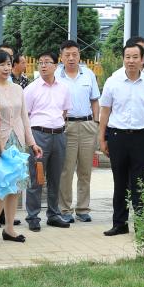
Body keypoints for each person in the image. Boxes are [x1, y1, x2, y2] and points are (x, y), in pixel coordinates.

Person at [97, 40, 144, 237]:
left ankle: (142, 224)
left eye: (135, 57)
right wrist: (102, 138)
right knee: (120, 181)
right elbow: (105, 111)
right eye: (127, 57)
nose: (131, 61)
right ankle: (120, 223)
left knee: (141, 182)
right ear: (123, 59)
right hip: (118, 136)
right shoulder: (113, 81)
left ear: (142, 59)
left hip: (143, 136)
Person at [0, 50, 40, 245]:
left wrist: (32, 143)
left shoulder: (18, 89)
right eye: (2, 64)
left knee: (16, 187)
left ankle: (9, 228)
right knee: (2, 186)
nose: (6, 68)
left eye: (9, 64)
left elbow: (25, 117)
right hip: (0, 142)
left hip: (18, 141)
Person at [24, 50, 72, 231]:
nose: (43, 66)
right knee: (36, 177)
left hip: (59, 135)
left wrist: (57, 127)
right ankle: (33, 216)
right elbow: (25, 115)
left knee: (56, 177)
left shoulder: (64, 88)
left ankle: (53, 214)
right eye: (40, 62)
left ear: (56, 66)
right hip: (39, 135)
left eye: (47, 62)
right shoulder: (31, 89)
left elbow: (65, 112)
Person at [57, 39, 100, 223]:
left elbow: (95, 100)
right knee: (66, 170)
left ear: (79, 55)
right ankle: (64, 209)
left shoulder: (88, 74)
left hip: (87, 125)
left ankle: (83, 209)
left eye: (74, 54)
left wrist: (96, 122)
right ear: (61, 57)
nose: (71, 58)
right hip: (66, 126)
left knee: (85, 170)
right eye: (67, 55)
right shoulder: (56, 76)